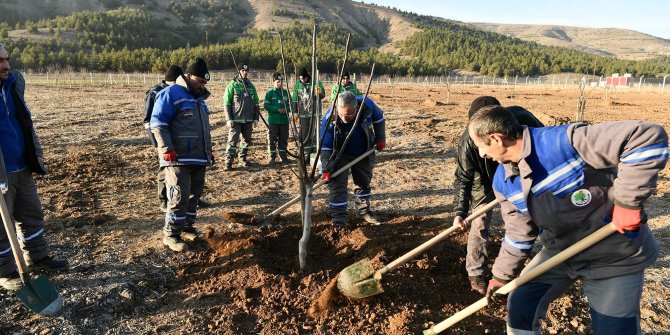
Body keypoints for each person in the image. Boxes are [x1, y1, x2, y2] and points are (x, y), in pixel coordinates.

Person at [468, 105, 668, 335]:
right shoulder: (504, 182)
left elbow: (646, 136)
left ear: (496, 139)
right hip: (561, 253)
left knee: (613, 328)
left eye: (481, 146)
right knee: (521, 302)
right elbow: (518, 234)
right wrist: (500, 277)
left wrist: (627, 203)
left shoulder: (565, 142)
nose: (482, 154)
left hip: (614, 255)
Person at [452, 96, 544, 294]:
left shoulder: (520, 119)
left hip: (519, 172)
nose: (483, 151)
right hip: (483, 182)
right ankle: (475, 272)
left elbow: (541, 142)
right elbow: (463, 177)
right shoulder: (468, 142)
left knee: (530, 218)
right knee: (479, 224)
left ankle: (532, 266)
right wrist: (460, 211)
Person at [0, 43, 68, 291]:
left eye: (6, 59)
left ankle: (37, 257)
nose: (6, 65)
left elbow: (25, 125)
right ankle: (6, 271)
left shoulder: (12, 88)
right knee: (1, 225)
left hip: (22, 166)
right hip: (1, 171)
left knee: (31, 215)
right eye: (0, 61)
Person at [150, 58, 213, 252]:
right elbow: (158, 124)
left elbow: (204, 129)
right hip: (178, 157)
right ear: (189, 75)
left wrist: (208, 151)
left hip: (198, 157)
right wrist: (167, 149)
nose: (202, 86)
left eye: (204, 83)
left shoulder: (199, 100)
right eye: (199, 81)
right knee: (179, 196)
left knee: (194, 196)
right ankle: (171, 235)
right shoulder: (170, 94)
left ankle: (187, 227)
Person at [319, 91, 386, 227]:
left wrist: (380, 138)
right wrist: (326, 168)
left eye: (349, 114)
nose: (344, 118)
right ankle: (339, 220)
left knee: (363, 182)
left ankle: (363, 212)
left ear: (357, 108)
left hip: (363, 151)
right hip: (339, 154)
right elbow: (325, 146)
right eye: (341, 114)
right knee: (338, 186)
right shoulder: (329, 119)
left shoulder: (367, 105)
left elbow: (379, 119)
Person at [223, 64, 260, 171]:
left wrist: (256, 118)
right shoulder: (232, 85)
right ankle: (228, 162)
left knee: (246, 140)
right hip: (236, 119)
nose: (245, 72)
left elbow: (256, 103)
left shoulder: (251, 86)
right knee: (232, 141)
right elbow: (226, 103)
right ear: (239, 71)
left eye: (246, 71)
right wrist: (228, 118)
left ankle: (242, 159)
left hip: (248, 120)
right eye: (243, 70)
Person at [293, 67, 325, 159]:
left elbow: (323, 95)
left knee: (315, 134)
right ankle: (307, 155)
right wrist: (295, 112)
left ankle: (315, 154)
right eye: (301, 79)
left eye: (304, 78)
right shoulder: (297, 85)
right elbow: (294, 100)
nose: (302, 80)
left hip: (315, 114)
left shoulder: (316, 83)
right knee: (305, 135)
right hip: (303, 114)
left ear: (307, 77)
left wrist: (319, 92)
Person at [263, 72, 292, 165]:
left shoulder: (285, 93)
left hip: (284, 121)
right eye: (277, 81)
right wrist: (277, 109)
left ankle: (283, 157)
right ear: (273, 82)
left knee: (284, 139)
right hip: (273, 121)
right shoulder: (269, 93)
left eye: (281, 81)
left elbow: (291, 105)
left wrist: (286, 110)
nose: (280, 83)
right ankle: (272, 158)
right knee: (272, 140)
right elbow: (266, 105)